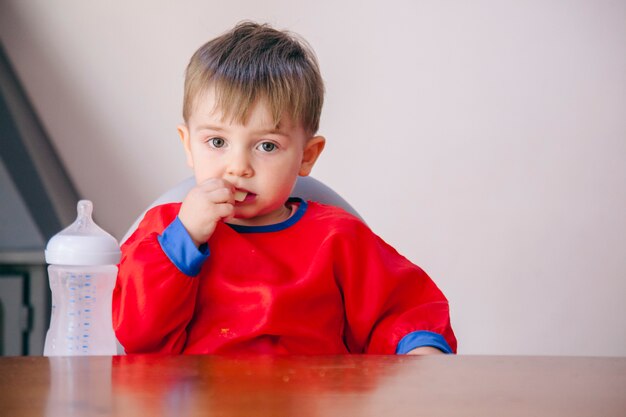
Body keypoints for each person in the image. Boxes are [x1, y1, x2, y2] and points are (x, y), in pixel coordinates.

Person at [113, 21, 457, 355]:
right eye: (217, 141)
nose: (239, 167)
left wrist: (419, 349)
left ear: (307, 156)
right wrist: (183, 241)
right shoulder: (163, 235)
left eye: (266, 146)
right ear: (188, 145)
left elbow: (402, 310)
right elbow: (137, 335)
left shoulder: (338, 239)